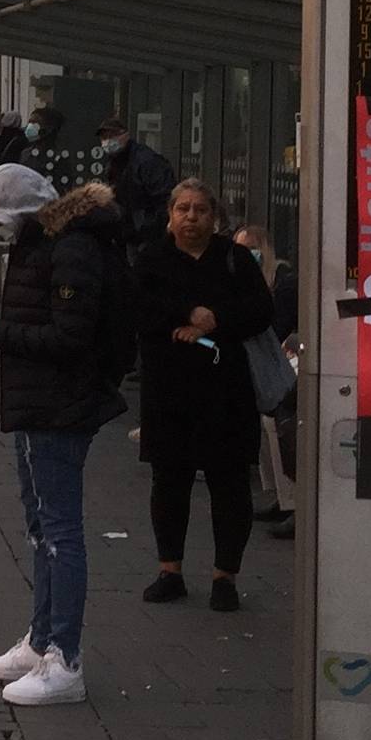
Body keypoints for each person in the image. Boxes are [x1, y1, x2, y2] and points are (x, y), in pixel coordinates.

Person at [0, 169, 132, 706]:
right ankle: (41, 640)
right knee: (41, 527)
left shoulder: (70, 247)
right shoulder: (49, 241)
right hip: (43, 399)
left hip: (59, 402)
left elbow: (69, 335)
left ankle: (65, 657)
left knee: (59, 531)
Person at [131, 179, 276, 612]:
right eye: (183, 209)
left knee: (229, 485)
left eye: (200, 210)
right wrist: (184, 314)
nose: (191, 217)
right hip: (169, 391)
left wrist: (215, 321)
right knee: (169, 480)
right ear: (170, 215)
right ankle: (169, 570)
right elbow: (138, 305)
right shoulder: (152, 258)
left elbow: (260, 311)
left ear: (214, 217)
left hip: (226, 393)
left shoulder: (235, 259)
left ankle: (224, 576)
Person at [237, 223, 302, 540]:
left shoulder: (283, 281)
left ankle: (293, 502)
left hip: (287, 359)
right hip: (272, 360)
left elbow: (277, 327)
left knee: (279, 422)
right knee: (267, 422)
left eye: (252, 246)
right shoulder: (247, 280)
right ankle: (280, 493)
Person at [96, 117, 178, 243]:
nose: (108, 141)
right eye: (104, 137)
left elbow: (165, 199)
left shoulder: (146, 161)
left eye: (113, 135)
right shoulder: (114, 162)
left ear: (125, 135)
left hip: (146, 235)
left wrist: (146, 227)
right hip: (128, 233)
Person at [15, 107, 71, 189]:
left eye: (35, 123)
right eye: (29, 122)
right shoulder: (26, 154)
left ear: (49, 128)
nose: (30, 126)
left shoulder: (59, 158)